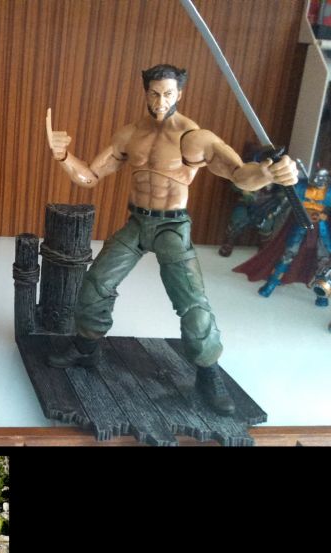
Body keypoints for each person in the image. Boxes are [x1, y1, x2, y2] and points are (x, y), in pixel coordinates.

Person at [46, 64, 298, 416]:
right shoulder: (130, 135)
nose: (160, 101)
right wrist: (62, 156)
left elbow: (240, 175)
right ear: (145, 93)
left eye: (167, 93)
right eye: (154, 93)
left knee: (192, 304)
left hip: (172, 227)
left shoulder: (194, 138)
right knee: (96, 283)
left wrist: (270, 172)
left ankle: (209, 373)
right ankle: (86, 349)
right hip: (137, 223)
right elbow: (89, 176)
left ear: (179, 93)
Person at [235, 168, 331, 305]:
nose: (317, 181)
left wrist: (322, 216)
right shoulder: (301, 187)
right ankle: (271, 284)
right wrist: (269, 215)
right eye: (315, 178)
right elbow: (283, 204)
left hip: (320, 229)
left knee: (324, 261)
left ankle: (322, 294)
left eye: (321, 180)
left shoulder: (329, 193)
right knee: (287, 256)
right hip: (301, 224)